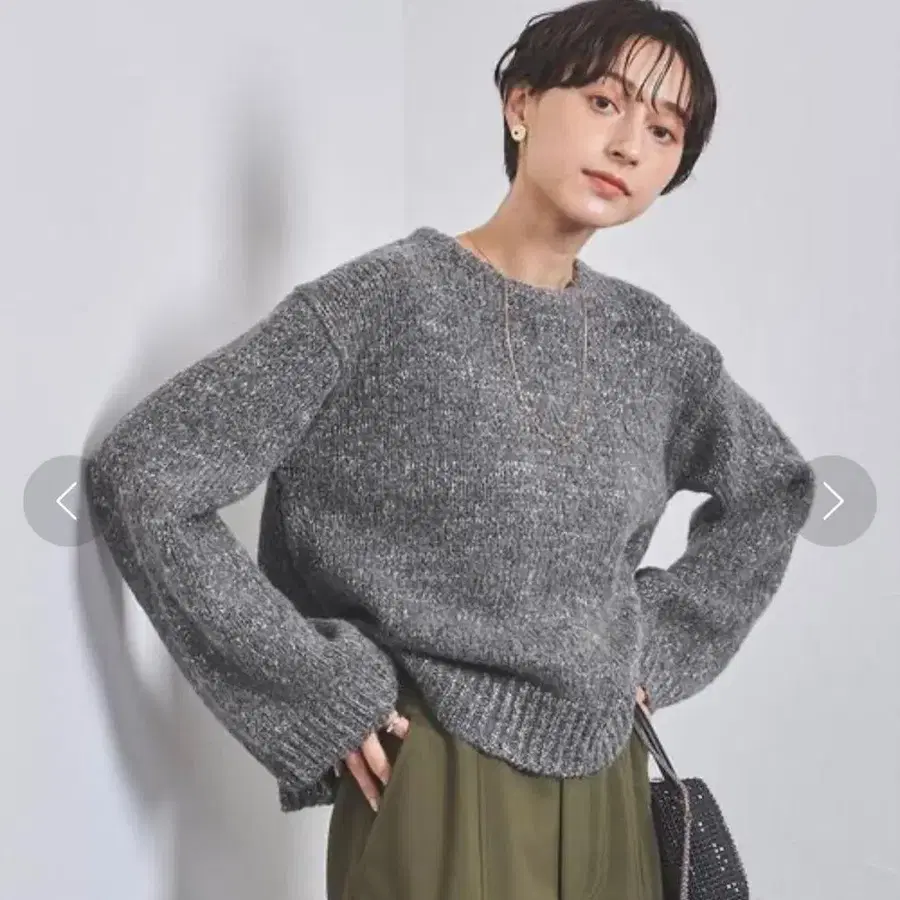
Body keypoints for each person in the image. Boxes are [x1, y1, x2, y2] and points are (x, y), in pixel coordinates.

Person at [84, 0, 817, 897]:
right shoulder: (380, 305)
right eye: (604, 102)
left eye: (664, 130)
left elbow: (775, 487)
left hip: (611, 789)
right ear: (521, 103)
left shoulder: (656, 349)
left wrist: (656, 646)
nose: (630, 144)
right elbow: (146, 474)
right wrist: (315, 688)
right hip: (434, 775)